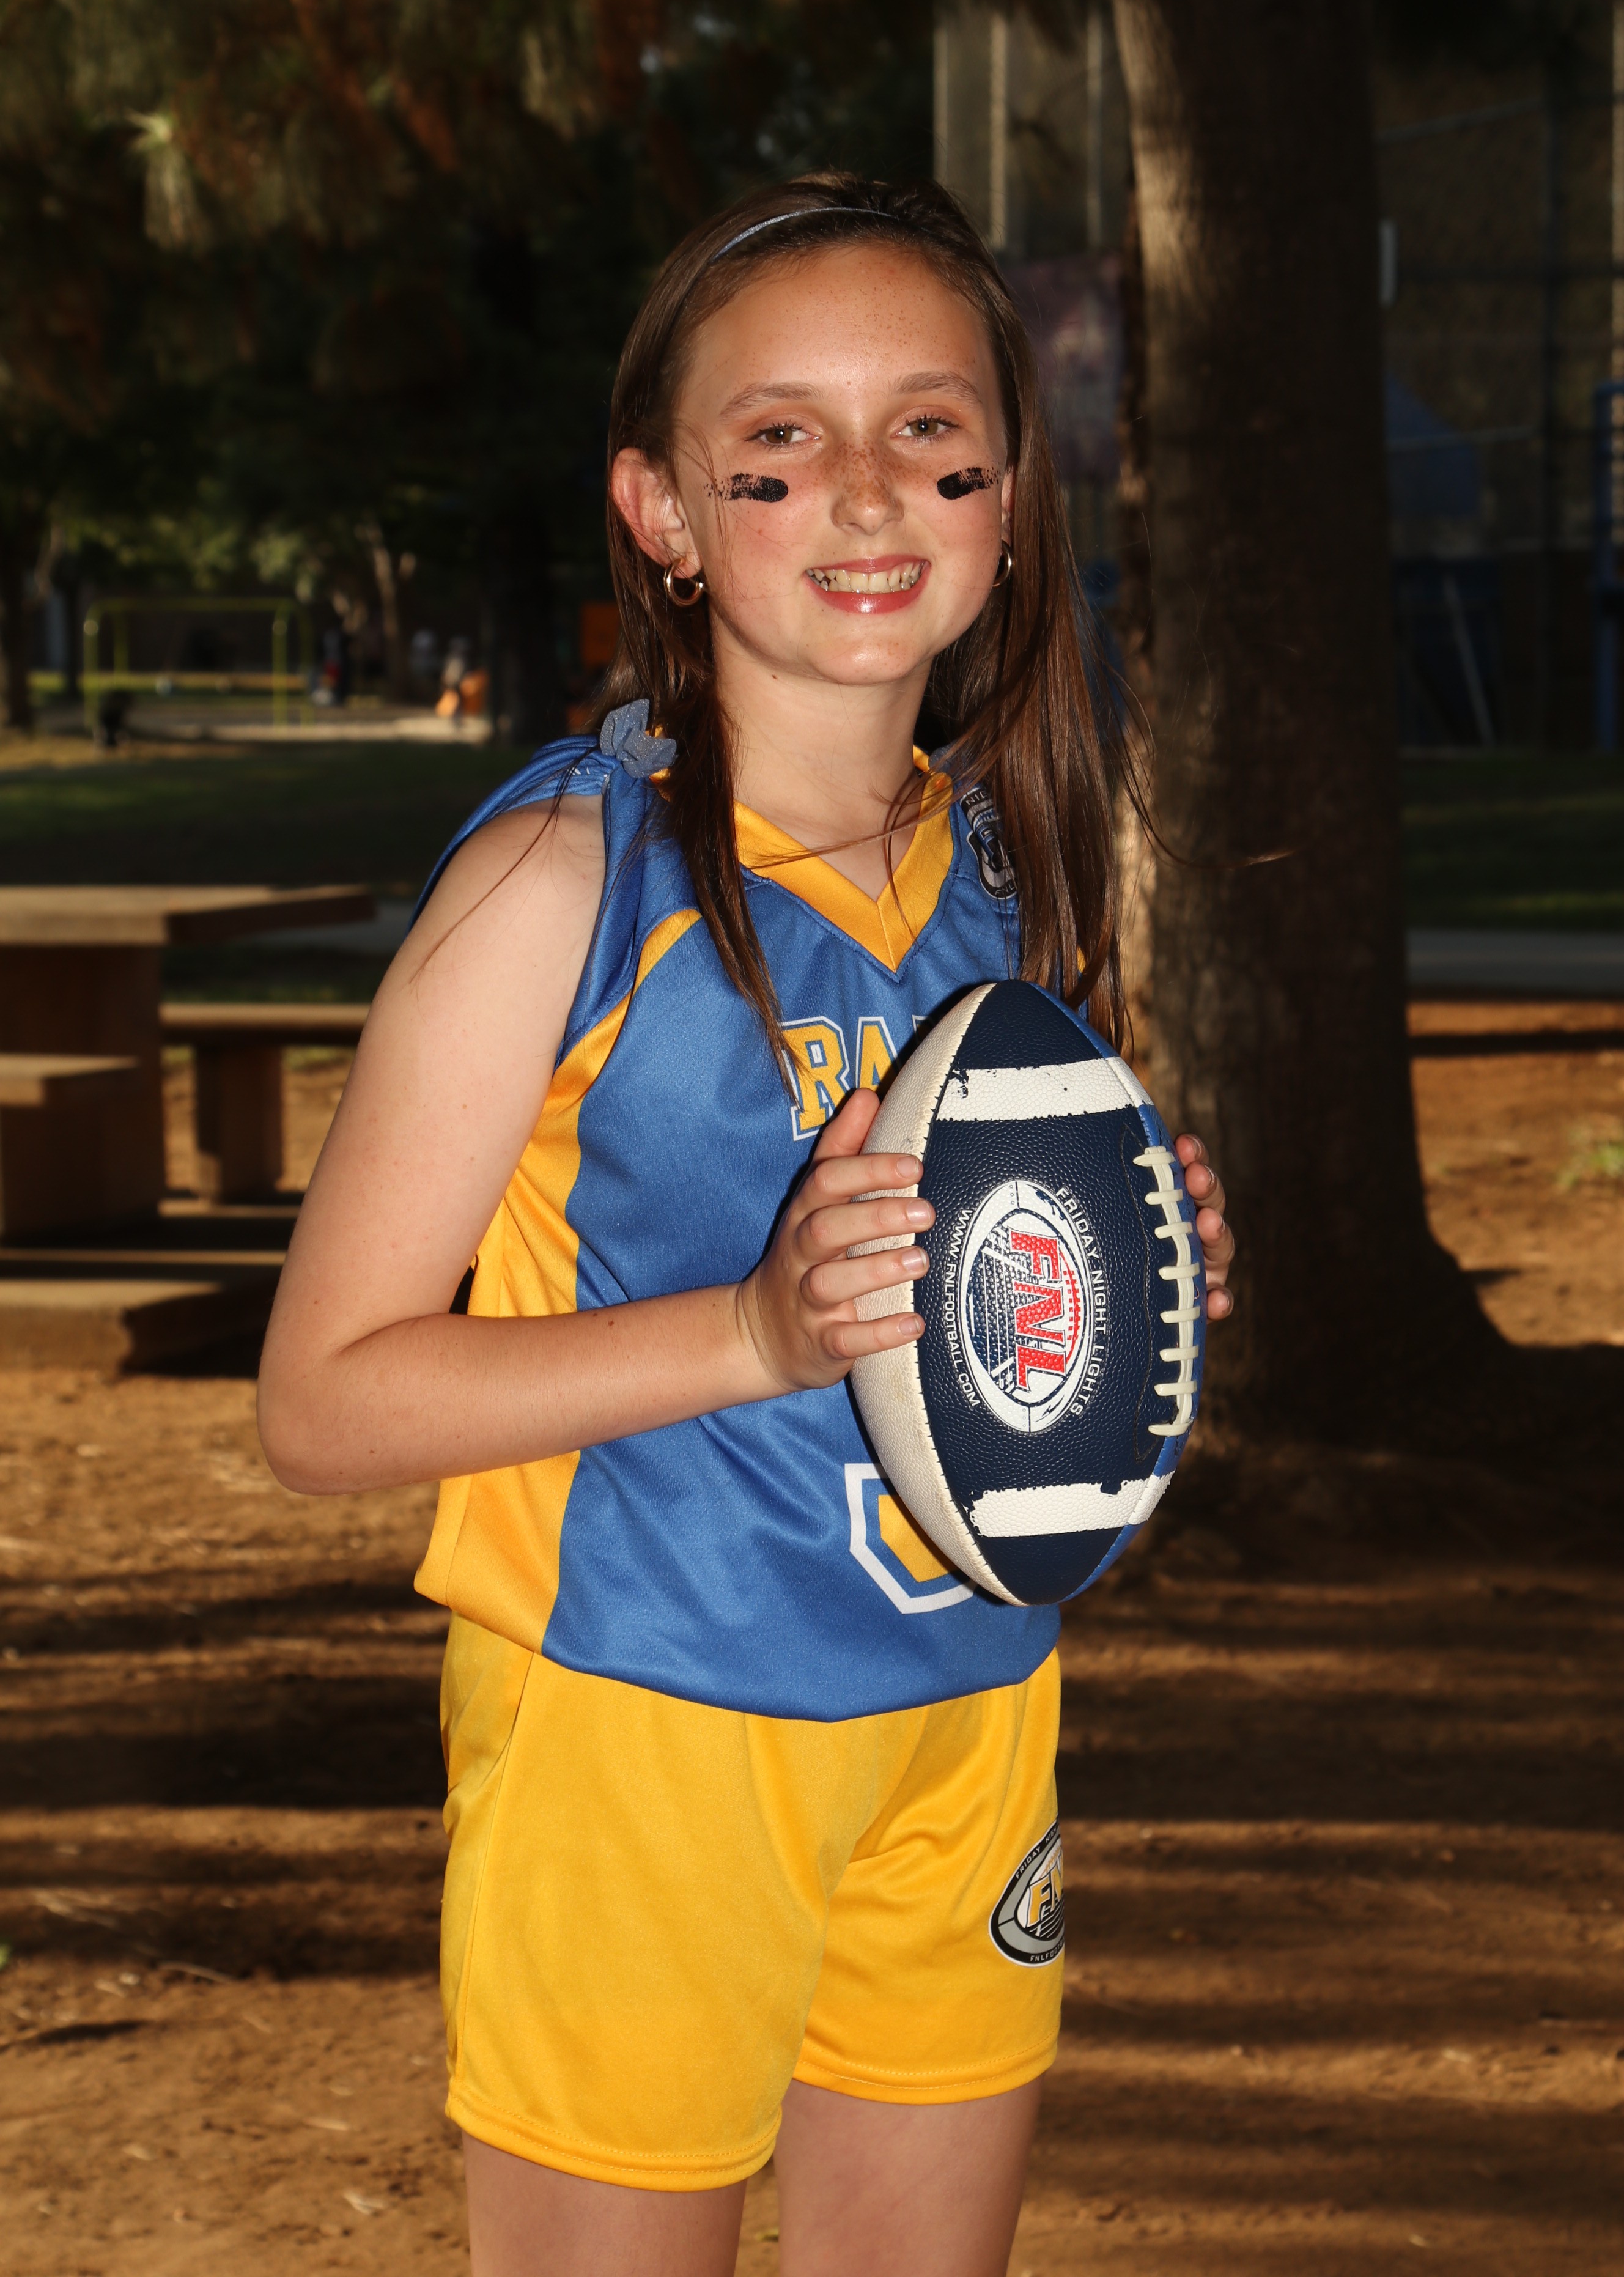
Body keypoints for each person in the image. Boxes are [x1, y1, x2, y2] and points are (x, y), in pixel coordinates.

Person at [257, 173, 1235, 2277]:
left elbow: (964, 1316)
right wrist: (754, 1335)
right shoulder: (561, 881)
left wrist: (1126, 1268)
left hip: (970, 1699)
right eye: (782, 443)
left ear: (1007, 499)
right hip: (646, 1718)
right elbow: (321, 1404)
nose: (867, 493)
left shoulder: (1013, 870)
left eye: (932, 435)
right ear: (666, 512)